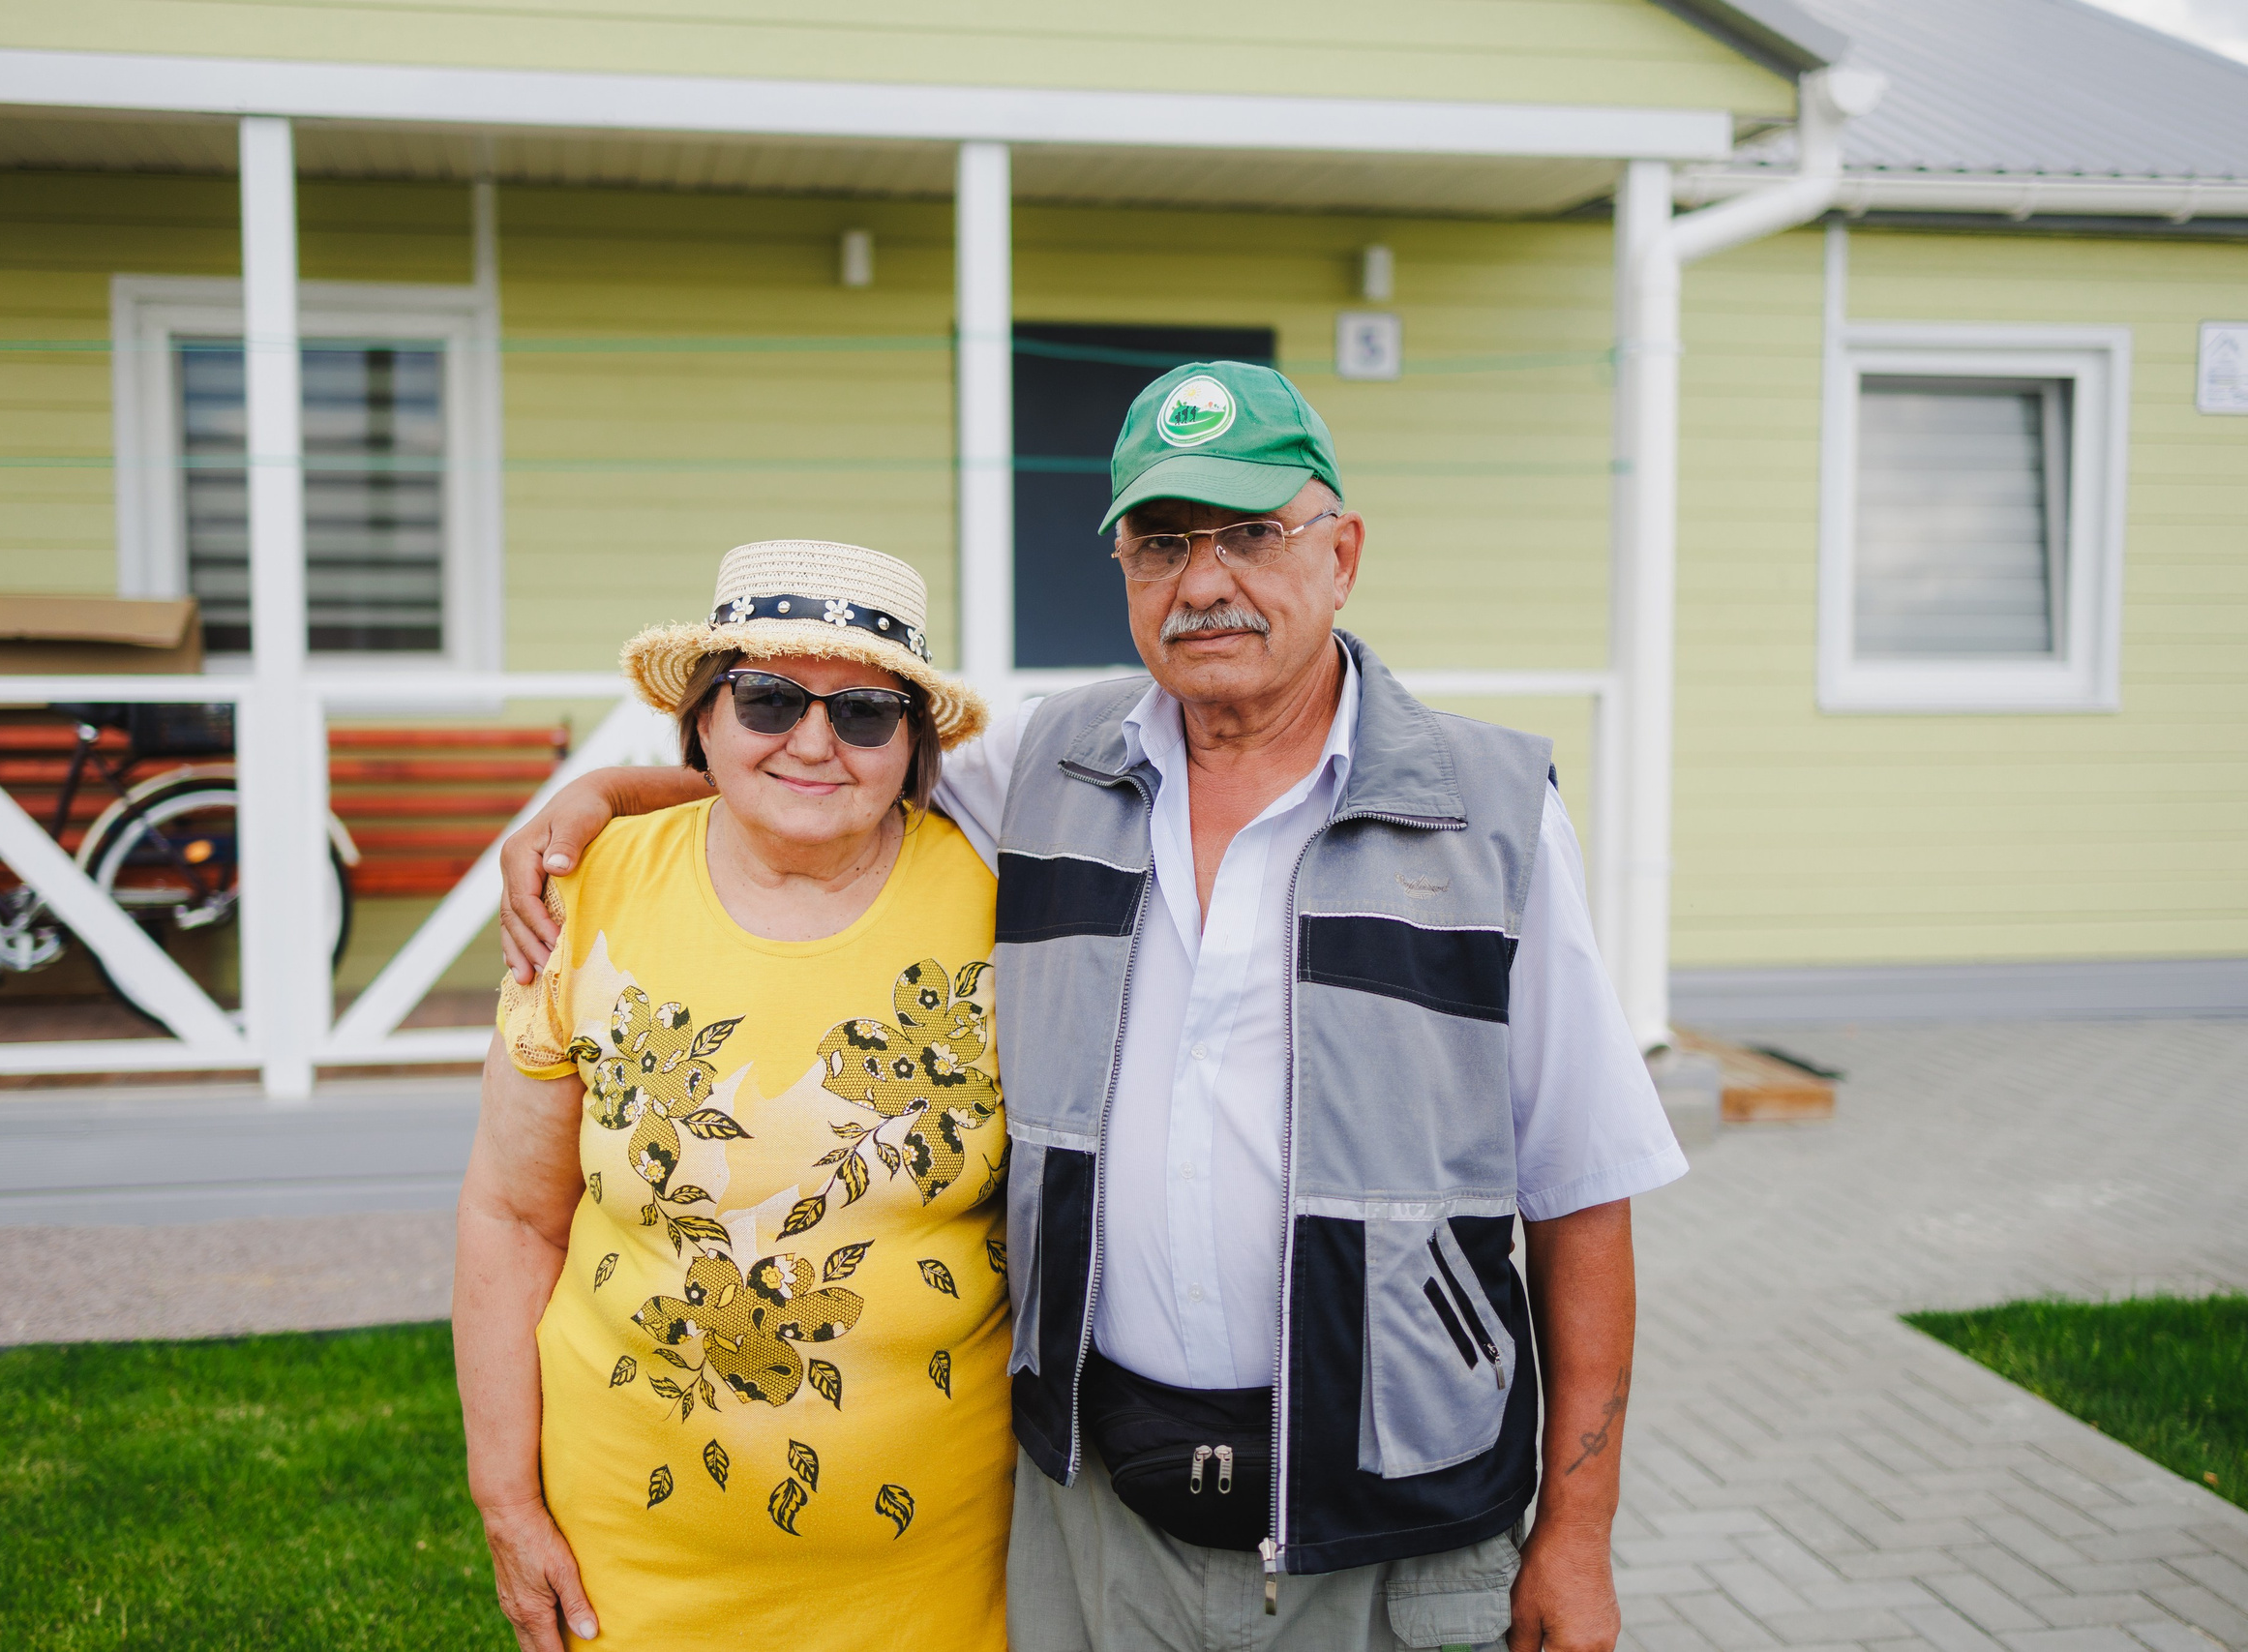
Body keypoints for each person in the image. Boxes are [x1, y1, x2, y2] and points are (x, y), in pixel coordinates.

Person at [495, 362, 1688, 1652]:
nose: (1207, 579)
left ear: (1341, 553)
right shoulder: (1054, 770)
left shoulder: (1491, 813)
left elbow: (1580, 1190)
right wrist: (611, 793)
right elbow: (815, 772)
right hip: (1099, 1519)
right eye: (1163, 543)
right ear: (1125, 572)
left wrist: (1577, 1531)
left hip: (1390, 1533)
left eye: (1252, 533)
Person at [452, 539, 1015, 1652]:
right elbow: (511, 1218)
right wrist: (505, 1503)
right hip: (631, 1557)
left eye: (862, 712)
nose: (813, 741)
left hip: (938, 1564)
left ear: (910, 745)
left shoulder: (1006, 901)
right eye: (766, 700)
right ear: (703, 719)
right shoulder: (590, 890)